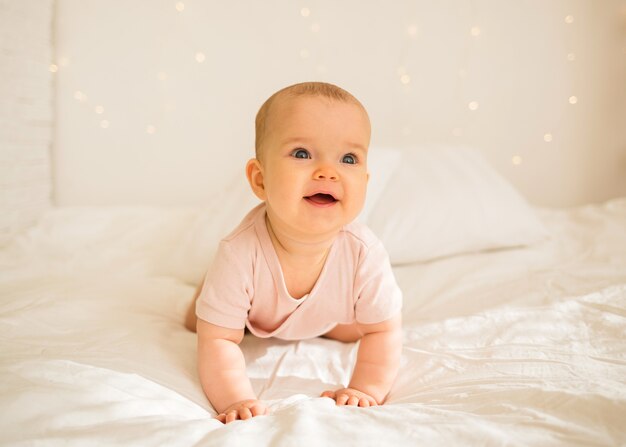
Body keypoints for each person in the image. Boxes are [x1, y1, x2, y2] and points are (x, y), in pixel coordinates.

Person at [184, 81, 403, 424]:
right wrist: (235, 399)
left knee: (361, 325)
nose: (327, 171)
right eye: (302, 153)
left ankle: (310, 316)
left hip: (328, 314)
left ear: (366, 180)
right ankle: (210, 290)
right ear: (260, 180)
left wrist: (366, 389)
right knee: (199, 322)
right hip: (257, 315)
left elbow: (384, 331)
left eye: (349, 158)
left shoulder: (365, 253)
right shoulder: (240, 253)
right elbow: (219, 342)